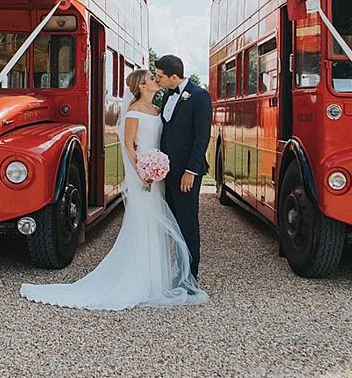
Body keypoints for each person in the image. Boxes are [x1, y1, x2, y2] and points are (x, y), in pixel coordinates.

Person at [20, 68, 207, 310]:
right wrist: (142, 170)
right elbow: (128, 145)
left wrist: (158, 168)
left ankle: (158, 281)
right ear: (141, 86)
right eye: (152, 78)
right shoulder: (134, 113)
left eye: (156, 76)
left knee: (158, 227)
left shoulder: (158, 111)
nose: (156, 80)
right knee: (143, 225)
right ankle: (139, 281)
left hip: (157, 178)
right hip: (144, 178)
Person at [154, 54, 213, 280]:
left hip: (186, 174)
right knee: (174, 222)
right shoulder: (167, 95)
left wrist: (191, 171)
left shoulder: (199, 96)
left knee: (187, 222)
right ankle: (178, 270)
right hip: (167, 172)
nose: (157, 80)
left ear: (174, 77)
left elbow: (202, 137)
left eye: (160, 76)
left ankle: (191, 276)